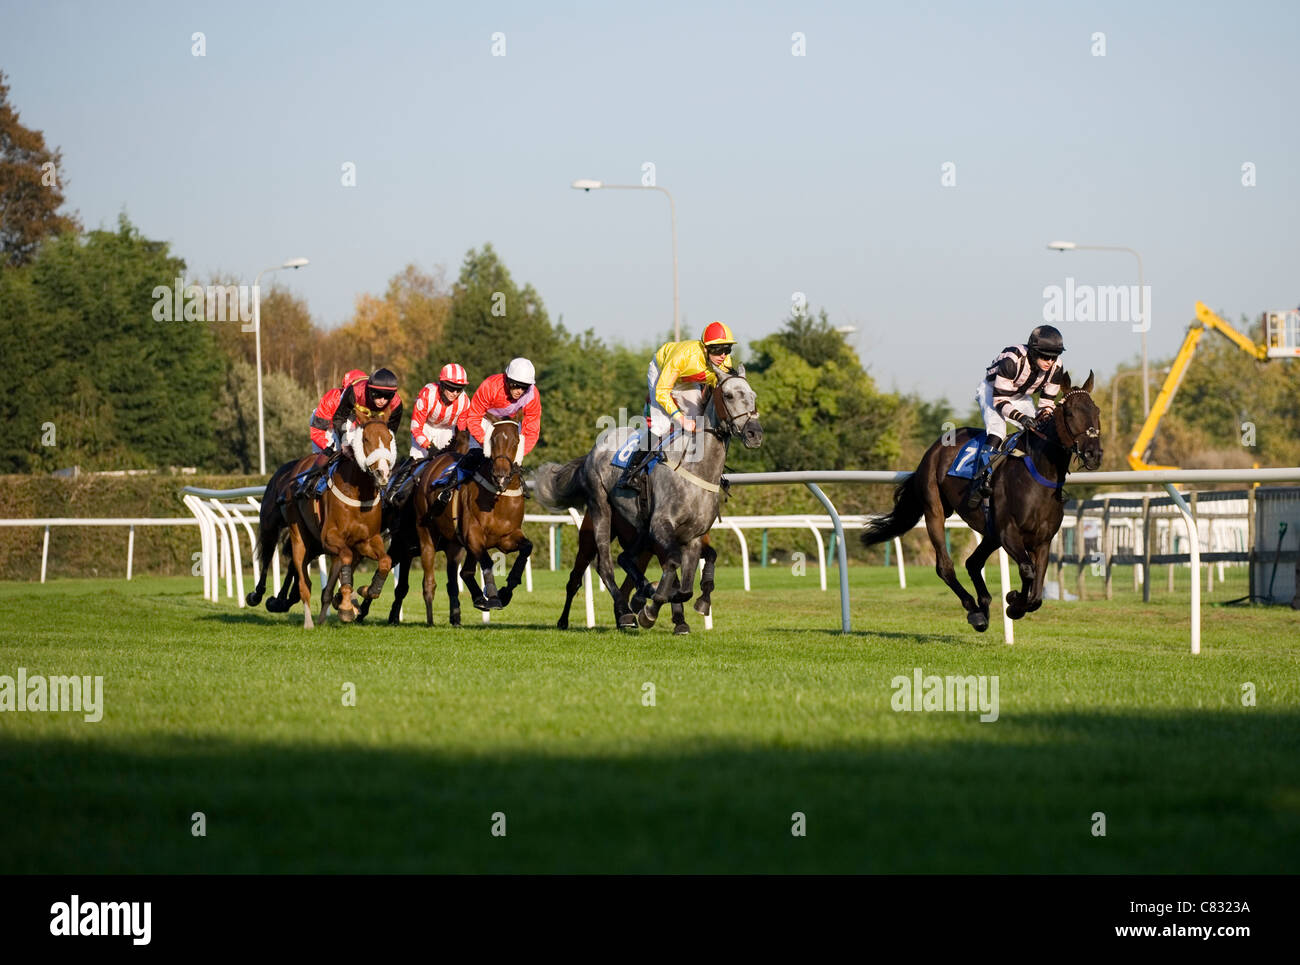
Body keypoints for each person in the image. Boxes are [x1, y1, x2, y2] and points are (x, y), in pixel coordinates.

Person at [616, 321, 736, 490]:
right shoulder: (684, 357)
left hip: (688, 381)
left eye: (727, 349)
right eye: (717, 349)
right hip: (661, 372)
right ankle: (630, 473)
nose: (723, 355)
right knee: (660, 426)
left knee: (700, 424)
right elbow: (662, 392)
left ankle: (706, 472)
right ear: (705, 348)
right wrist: (680, 418)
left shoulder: (725, 362)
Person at [966, 324, 1066, 508]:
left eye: (1053, 356)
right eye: (1045, 356)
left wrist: (1044, 416)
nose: (1049, 361)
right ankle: (979, 482)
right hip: (993, 392)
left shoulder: (1057, 367)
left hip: (1020, 395)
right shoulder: (1013, 360)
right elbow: (1000, 400)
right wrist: (1021, 417)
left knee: (1040, 433)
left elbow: (1046, 404)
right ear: (1033, 352)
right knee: (998, 432)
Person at [431, 358, 541, 505]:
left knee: (513, 463)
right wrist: (487, 444)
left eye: (524, 387)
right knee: (475, 456)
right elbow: (474, 416)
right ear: (507, 379)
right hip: (487, 421)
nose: (520, 391)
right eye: (516, 385)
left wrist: (518, 453)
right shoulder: (490, 385)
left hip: (510, 427)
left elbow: (532, 429)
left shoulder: (532, 395)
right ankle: (447, 489)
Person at [303, 367, 403, 498]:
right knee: (332, 449)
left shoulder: (395, 403)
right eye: (378, 395)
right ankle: (309, 484)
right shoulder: (339, 397)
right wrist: (339, 446)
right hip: (328, 428)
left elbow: (388, 432)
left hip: (354, 424)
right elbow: (326, 426)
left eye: (387, 396)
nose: (382, 401)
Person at [385, 363, 470, 508]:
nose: (455, 393)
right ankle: (392, 492)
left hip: (447, 430)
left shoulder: (465, 402)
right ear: (442, 384)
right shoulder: (428, 393)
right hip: (425, 427)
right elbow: (416, 426)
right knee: (419, 460)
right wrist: (429, 447)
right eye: (451, 387)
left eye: (459, 389)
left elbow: (461, 430)